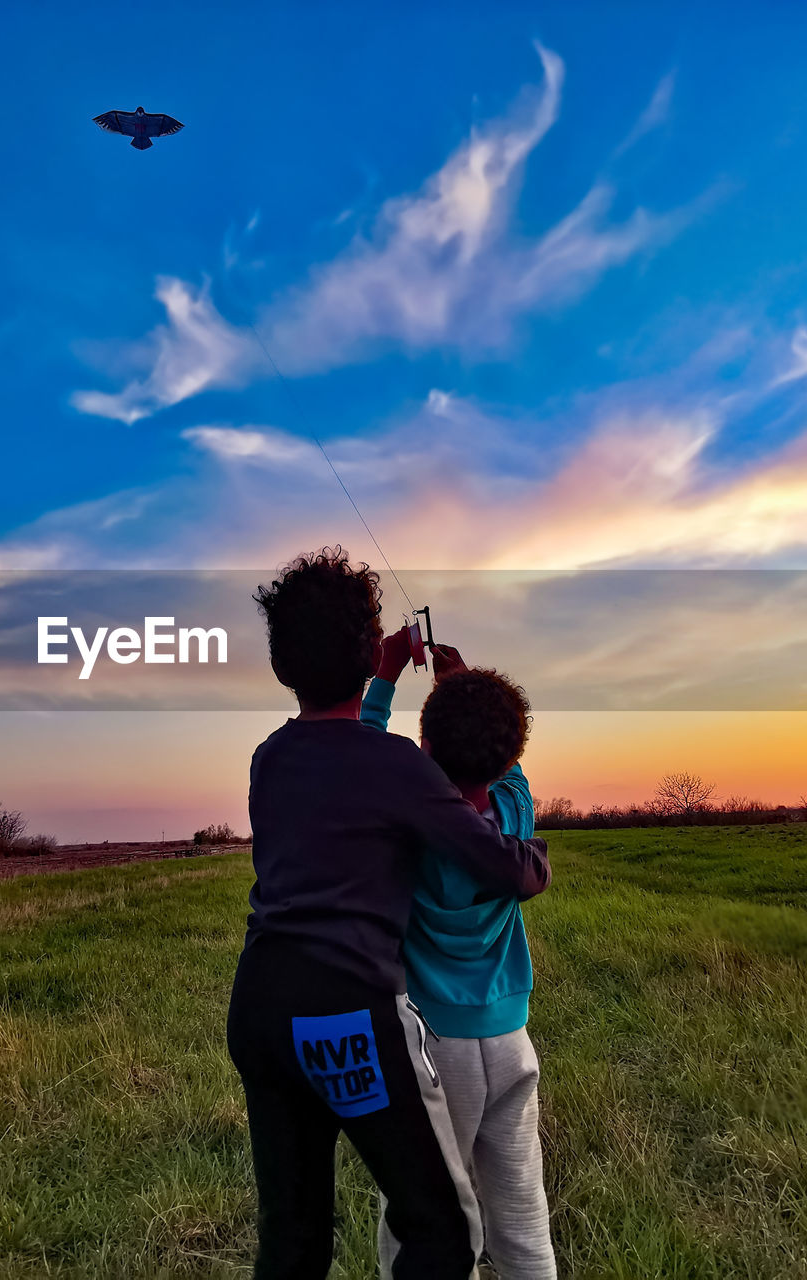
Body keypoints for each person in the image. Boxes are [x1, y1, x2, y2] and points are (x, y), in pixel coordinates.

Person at [227, 547, 551, 1279]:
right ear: (369, 644)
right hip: (349, 1012)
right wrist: (535, 859)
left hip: (259, 1007)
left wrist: (383, 678)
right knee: (440, 1228)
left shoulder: (269, 758)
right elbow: (499, 856)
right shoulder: (401, 768)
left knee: (292, 1229)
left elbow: (350, 749)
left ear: (283, 662)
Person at [362, 639, 557, 1279]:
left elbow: (363, 759)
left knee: (428, 1216)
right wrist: (462, 682)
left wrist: (387, 674)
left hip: (435, 1048)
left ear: (424, 753)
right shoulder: (515, 811)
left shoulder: (409, 821)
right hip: (509, 1039)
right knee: (522, 1213)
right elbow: (508, 765)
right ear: (508, 757)